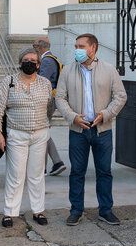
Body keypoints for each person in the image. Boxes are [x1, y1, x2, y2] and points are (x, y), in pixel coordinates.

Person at [55, 33, 128, 226]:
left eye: (81, 46)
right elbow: (60, 98)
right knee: (77, 172)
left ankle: (106, 210)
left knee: (104, 171)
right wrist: (72, 117)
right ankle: (76, 210)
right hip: (78, 130)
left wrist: (105, 114)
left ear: (93, 48)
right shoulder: (68, 71)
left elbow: (120, 96)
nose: (77, 50)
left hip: (101, 129)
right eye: (76, 46)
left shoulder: (109, 70)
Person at [0, 48, 53, 227]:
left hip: (40, 134)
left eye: (33, 60)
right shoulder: (8, 82)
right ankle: (9, 212)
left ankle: (38, 210)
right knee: (16, 175)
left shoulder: (45, 84)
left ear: (38, 65)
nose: (29, 63)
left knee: (36, 174)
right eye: (26, 60)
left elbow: (50, 107)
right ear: (19, 63)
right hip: (16, 134)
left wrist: (46, 125)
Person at [33, 37, 66, 176]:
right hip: (49, 99)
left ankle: (46, 166)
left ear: (40, 47)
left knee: (41, 132)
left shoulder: (46, 61)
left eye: (34, 46)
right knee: (43, 132)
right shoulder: (52, 59)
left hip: (46, 101)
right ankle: (56, 162)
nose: (34, 49)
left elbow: (42, 82)